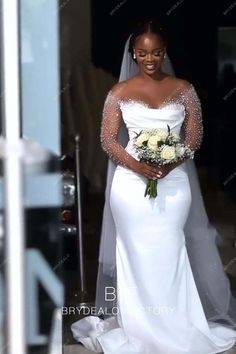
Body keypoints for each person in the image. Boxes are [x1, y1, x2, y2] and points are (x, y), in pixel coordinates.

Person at [71, 19, 236, 353]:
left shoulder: (184, 89)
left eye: (157, 52)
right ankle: (141, 328)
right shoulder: (118, 92)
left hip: (174, 186)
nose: (150, 59)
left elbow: (193, 136)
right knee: (135, 255)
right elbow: (108, 139)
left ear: (165, 53)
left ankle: (176, 323)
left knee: (170, 250)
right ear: (133, 53)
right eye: (143, 53)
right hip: (130, 187)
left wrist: (170, 162)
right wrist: (138, 165)